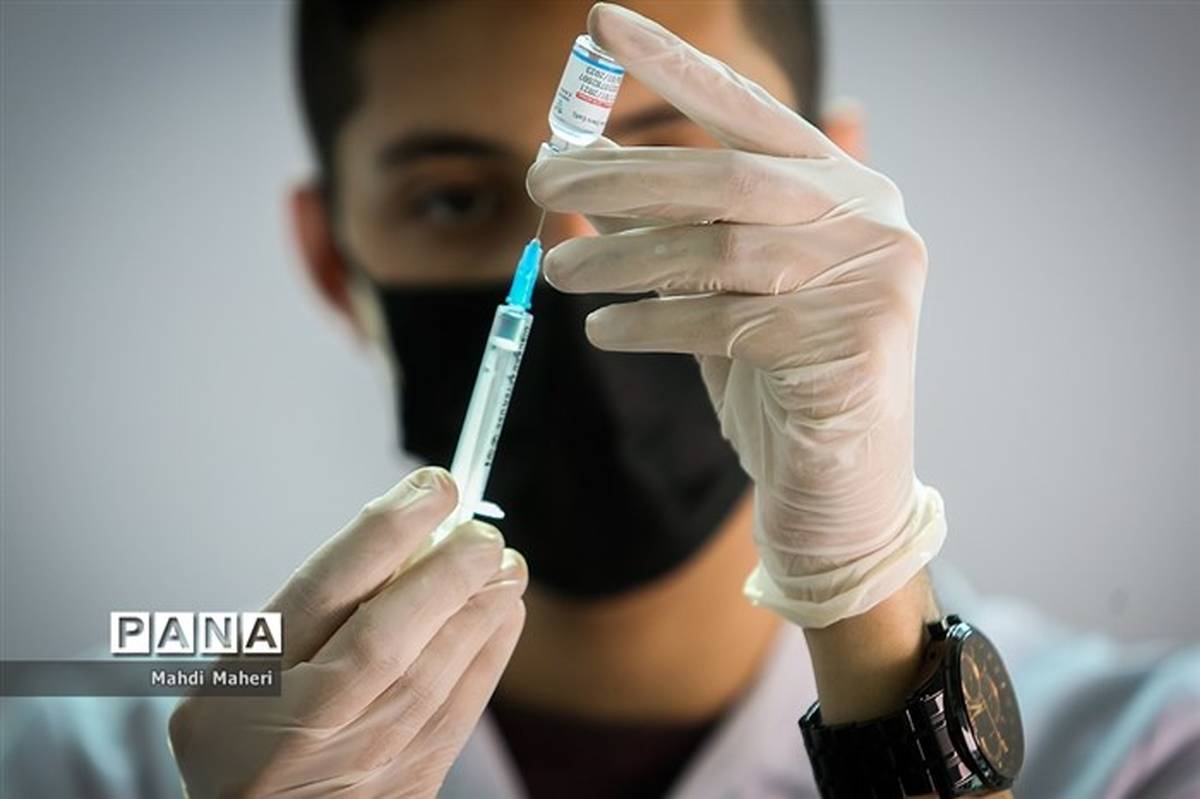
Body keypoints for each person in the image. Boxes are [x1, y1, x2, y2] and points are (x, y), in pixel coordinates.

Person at [2, 2, 1198, 797]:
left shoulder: (1143, 747)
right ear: (330, 259)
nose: (570, 252)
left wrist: (870, 611)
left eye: (665, 165)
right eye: (453, 199)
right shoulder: (84, 749)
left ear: (837, 198)